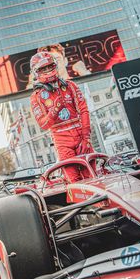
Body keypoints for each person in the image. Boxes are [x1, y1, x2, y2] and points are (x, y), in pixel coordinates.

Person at [30, 51, 94, 183]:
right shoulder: (36, 97)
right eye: (43, 68)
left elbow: (84, 110)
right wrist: (54, 110)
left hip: (82, 136)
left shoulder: (71, 85)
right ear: (36, 72)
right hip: (62, 141)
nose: (48, 70)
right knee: (74, 181)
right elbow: (43, 125)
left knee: (92, 176)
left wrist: (86, 137)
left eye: (50, 66)